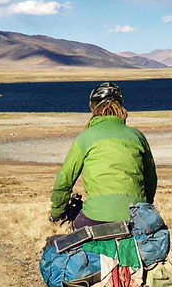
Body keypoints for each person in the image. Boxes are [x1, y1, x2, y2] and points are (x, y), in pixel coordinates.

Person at [49, 82, 156, 231]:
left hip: (96, 216)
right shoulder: (137, 136)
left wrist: (57, 212)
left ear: (93, 107)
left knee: (77, 228)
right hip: (136, 215)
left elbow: (65, 179)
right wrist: (145, 207)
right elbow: (151, 179)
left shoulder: (86, 137)